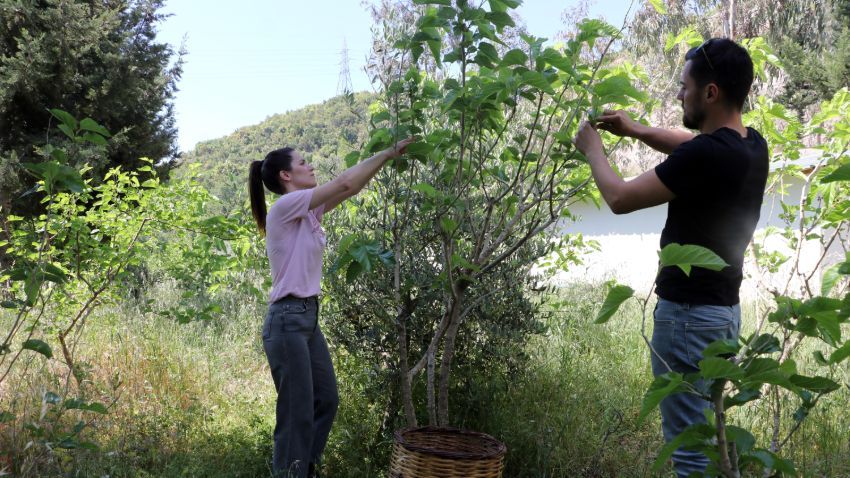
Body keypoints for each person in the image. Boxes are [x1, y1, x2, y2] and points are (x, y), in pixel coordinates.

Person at [573, 38, 767, 477]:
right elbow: (689, 145)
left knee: (690, 452)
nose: (679, 95)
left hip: (687, 320)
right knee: (710, 438)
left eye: (684, 87)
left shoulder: (705, 154)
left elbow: (620, 198)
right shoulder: (752, 145)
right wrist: (636, 130)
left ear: (710, 92)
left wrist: (593, 150)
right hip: (723, 316)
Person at [248, 137, 414, 478]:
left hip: (307, 319)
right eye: (302, 163)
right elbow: (344, 182)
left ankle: (304, 469)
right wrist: (386, 152)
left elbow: (351, 189)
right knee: (296, 411)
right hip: (287, 320)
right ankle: (290, 473)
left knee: (325, 400)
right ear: (286, 176)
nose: (310, 166)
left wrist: (385, 159)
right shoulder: (286, 206)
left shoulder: (308, 211)